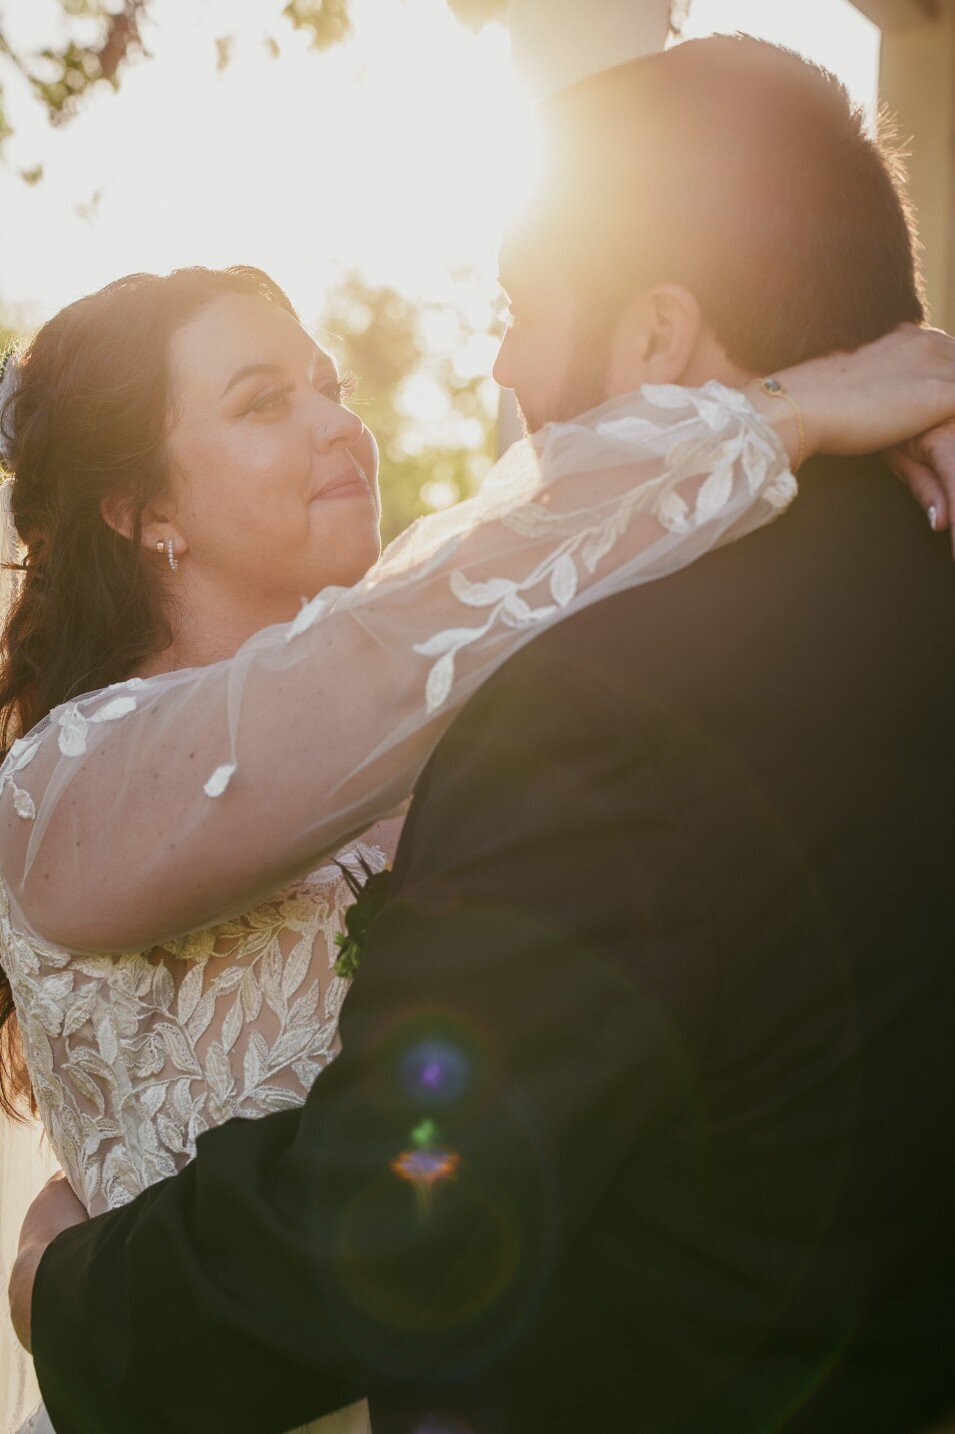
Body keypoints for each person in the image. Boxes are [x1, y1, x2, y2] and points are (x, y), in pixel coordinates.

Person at [6, 34, 955, 1433]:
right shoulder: (66, 788)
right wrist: (774, 414)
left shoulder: (527, 721)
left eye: (331, 384)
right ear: (144, 510)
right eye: (264, 401)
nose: (342, 426)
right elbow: (396, 640)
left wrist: (69, 1291)